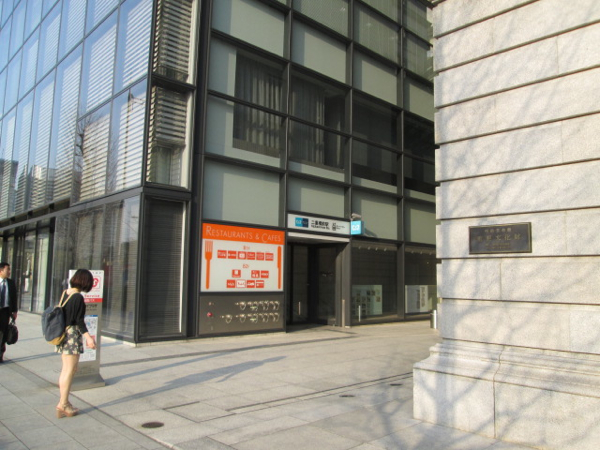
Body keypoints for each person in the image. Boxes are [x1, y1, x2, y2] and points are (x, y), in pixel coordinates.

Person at [55, 269, 97, 418]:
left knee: (65, 369)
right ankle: (63, 403)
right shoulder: (78, 297)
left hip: (63, 334)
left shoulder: (65, 293)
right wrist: (88, 338)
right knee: (70, 370)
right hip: (72, 335)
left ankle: (64, 401)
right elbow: (79, 321)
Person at [0, 262, 18, 363]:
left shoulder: (10, 283)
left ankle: (0, 354)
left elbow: (14, 298)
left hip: (5, 311)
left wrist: (14, 311)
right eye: (8, 270)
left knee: (3, 332)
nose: (9, 272)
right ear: (1, 271)